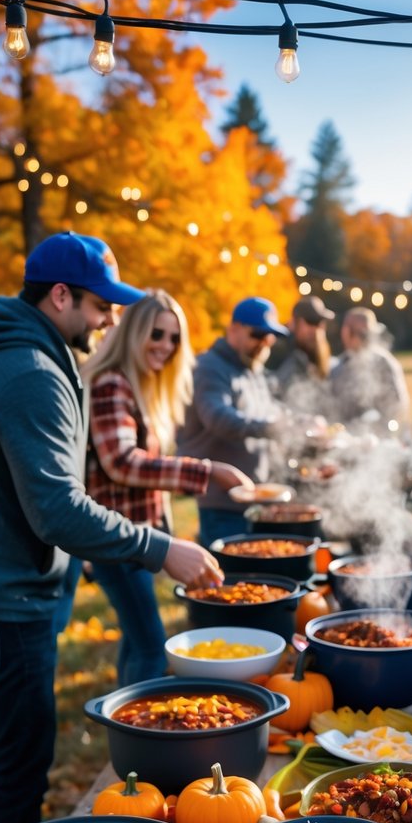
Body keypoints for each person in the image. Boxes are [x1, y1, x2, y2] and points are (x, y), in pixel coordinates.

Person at [0, 232, 222, 823]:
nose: (111, 318)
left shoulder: (11, 355)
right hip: (7, 600)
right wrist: (164, 549)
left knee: (5, 752)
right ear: (60, 296)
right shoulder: (31, 373)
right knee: (22, 761)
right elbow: (58, 509)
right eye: (100, 303)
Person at [83, 290, 253, 686]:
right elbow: (123, 463)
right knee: (150, 646)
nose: (166, 345)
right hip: (117, 539)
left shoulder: (139, 385)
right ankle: (138, 734)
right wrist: (208, 472)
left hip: (137, 538)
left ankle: (122, 727)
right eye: (156, 334)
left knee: (137, 638)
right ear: (132, 332)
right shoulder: (112, 385)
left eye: (174, 338)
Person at [176, 296, 289, 548]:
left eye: (270, 337)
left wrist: (299, 423)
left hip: (253, 499)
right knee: (229, 581)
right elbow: (218, 418)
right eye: (258, 334)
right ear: (233, 329)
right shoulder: (209, 367)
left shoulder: (252, 368)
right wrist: (270, 428)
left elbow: (272, 410)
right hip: (221, 504)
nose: (265, 343)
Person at [329, 307, 410, 432]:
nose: (365, 340)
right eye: (362, 335)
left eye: (367, 335)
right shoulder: (338, 366)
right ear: (345, 332)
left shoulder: (383, 363)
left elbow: (397, 408)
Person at [274, 295, 337, 416]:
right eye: (310, 321)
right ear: (293, 322)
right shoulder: (278, 351)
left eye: (319, 322)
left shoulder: (315, 355)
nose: (316, 329)